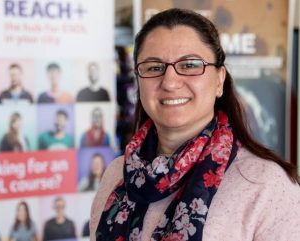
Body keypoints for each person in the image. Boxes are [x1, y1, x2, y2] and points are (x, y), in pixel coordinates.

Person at [91, 8, 300, 241]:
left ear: (219, 80)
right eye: (154, 67)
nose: (170, 82)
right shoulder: (116, 175)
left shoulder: (266, 185)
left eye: (190, 65)